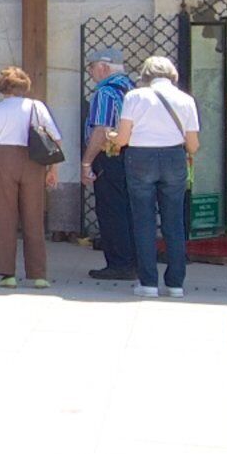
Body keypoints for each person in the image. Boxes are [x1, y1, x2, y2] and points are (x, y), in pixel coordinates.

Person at [114, 54, 201, 298]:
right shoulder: (186, 100)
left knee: (144, 221)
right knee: (174, 221)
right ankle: (175, 283)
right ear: (172, 75)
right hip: (174, 157)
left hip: (140, 157)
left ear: (145, 75)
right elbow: (193, 145)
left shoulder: (134, 97)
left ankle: (148, 282)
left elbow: (122, 139)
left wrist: (113, 139)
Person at [0, 65, 62, 288]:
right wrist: (53, 169)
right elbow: (55, 139)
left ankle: (7, 274)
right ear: (24, 86)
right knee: (34, 217)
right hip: (34, 161)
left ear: (2, 87)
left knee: (5, 218)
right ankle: (39, 274)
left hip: (4, 160)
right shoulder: (37, 107)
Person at [81, 55, 136, 285]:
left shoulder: (106, 92)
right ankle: (134, 261)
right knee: (129, 211)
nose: (91, 73)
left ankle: (119, 264)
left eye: (92, 68)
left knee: (111, 211)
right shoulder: (132, 90)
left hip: (110, 157)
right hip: (132, 157)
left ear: (103, 67)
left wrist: (86, 163)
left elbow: (102, 130)